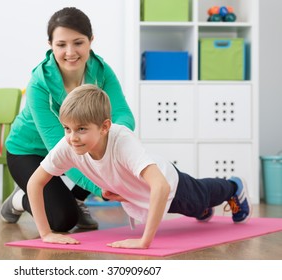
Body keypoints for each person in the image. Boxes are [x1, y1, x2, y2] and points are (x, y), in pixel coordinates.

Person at [26, 84, 252, 249]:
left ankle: (233, 186)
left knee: (201, 195)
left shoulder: (122, 141)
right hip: (140, 195)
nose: (72, 137)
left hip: (170, 186)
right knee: (195, 208)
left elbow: (161, 187)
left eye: (81, 129)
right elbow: (35, 182)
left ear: (105, 127)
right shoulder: (68, 144)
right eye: (67, 128)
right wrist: (46, 233)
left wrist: (145, 242)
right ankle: (202, 209)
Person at [1, 7, 135, 231]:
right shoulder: (39, 83)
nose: (70, 52)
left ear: (91, 41)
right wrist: (100, 188)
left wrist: (115, 140)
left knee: (104, 139)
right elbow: (59, 147)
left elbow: (123, 115)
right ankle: (19, 200)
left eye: (78, 42)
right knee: (62, 220)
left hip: (73, 145)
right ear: (50, 44)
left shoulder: (102, 71)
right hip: (29, 152)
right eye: (61, 44)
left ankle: (78, 198)